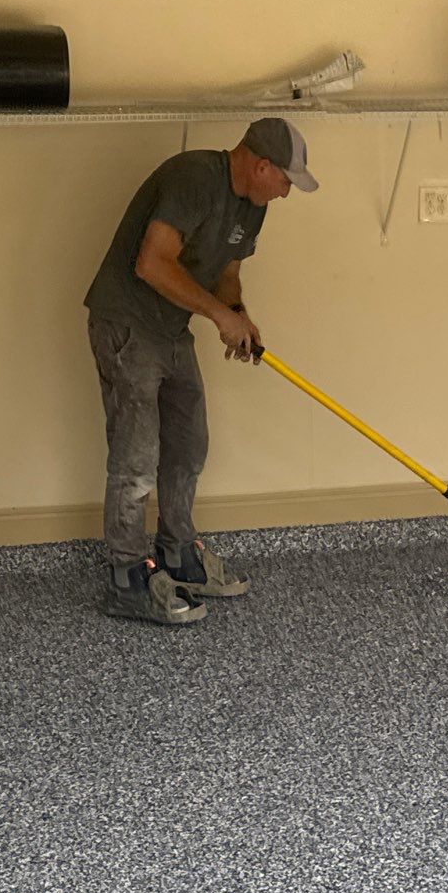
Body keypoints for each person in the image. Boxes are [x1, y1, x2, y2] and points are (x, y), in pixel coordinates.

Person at [82, 117, 320, 626]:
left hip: (170, 329)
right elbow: (151, 263)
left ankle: (177, 552)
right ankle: (127, 575)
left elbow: (228, 272)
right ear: (260, 166)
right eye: (285, 181)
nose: (286, 192)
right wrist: (217, 315)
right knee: (138, 457)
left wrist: (239, 315)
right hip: (126, 322)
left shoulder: (252, 207)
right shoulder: (193, 179)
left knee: (190, 444)